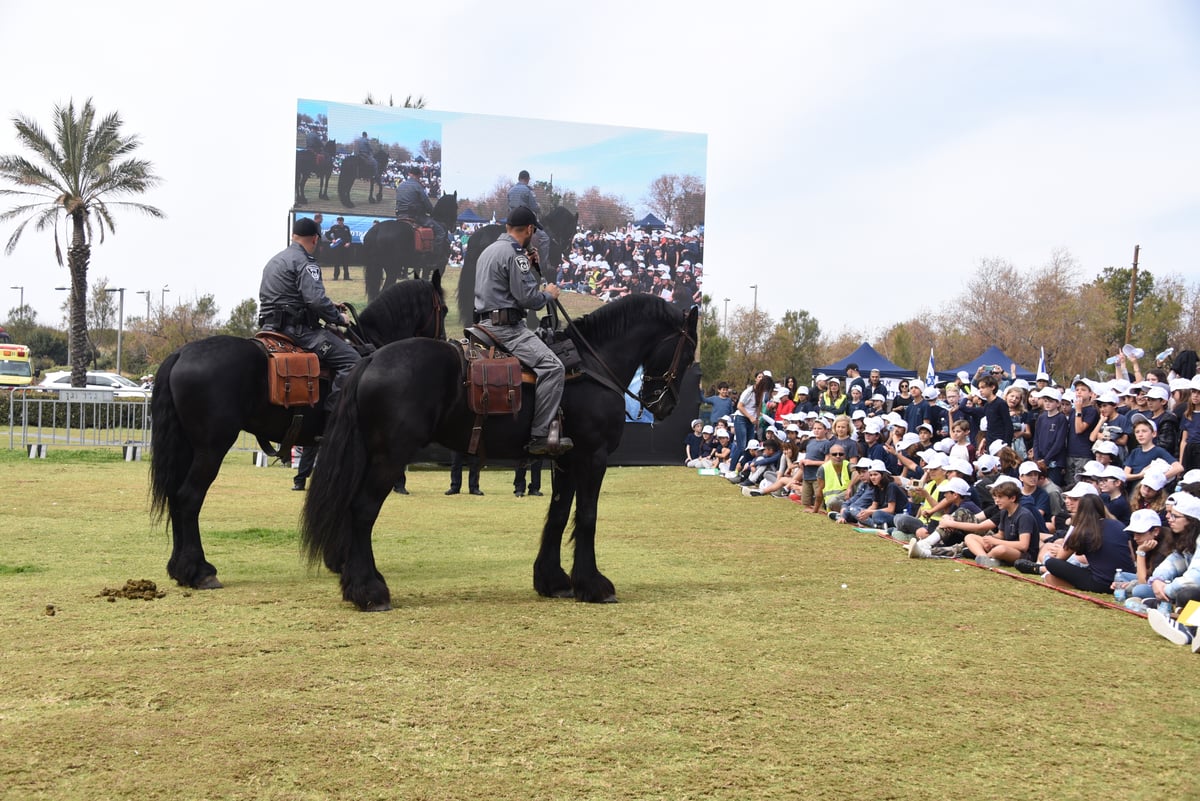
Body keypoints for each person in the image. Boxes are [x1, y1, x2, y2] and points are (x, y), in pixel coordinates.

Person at [473, 206, 571, 456]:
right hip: (507, 329)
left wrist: (530, 267)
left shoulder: (489, 251)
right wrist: (549, 294)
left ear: (507, 226)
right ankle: (540, 436)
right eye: (533, 231)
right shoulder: (514, 254)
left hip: (483, 323)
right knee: (553, 367)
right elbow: (529, 299)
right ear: (529, 229)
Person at [259, 217, 359, 413]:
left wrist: (330, 304)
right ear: (315, 239)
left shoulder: (274, 260)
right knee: (353, 362)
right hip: (299, 331)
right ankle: (333, 420)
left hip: (270, 328)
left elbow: (289, 295)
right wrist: (339, 318)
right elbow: (315, 301)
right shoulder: (306, 262)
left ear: (293, 236)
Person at [1040, 494, 1135, 592]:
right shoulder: (1119, 525)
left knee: (1051, 562)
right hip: (1126, 579)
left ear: (1080, 510)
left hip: (1101, 583)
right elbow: (1131, 556)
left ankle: (1046, 572)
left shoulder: (1083, 530)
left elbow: (1060, 558)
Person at [964, 479, 1037, 568]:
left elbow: (1023, 546)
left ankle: (987, 558)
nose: (996, 501)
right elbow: (1001, 534)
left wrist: (995, 541)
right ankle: (985, 557)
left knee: (1001, 549)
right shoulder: (1004, 512)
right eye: (996, 497)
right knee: (970, 537)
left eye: (1000, 497)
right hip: (1004, 544)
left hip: (1023, 554)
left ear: (1012, 498)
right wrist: (989, 540)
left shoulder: (1024, 515)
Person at [394, 166, 447, 262]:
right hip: (415, 217)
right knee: (441, 232)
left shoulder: (400, 186)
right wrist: (432, 212)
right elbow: (426, 203)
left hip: (400, 216)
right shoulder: (418, 186)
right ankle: (434, 257)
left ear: (410, 174)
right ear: (418, 176)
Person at [508, 169, 551, 270]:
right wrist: (539, 207)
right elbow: (534, 207)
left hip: (511, 222)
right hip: (524, 222)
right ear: (527, 179)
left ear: (519, 178)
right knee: (545, 239)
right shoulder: (528, 190)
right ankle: (543, 265)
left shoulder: (510, 191)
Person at [326, 216, 352, 281]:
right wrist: (332, 239)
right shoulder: (334, 227)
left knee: (345, 263)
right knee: (336, 262)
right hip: (337, 248)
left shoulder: (346, 228)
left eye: (341, 221)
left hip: (345, 247)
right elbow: (327, 234)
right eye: (338, 221)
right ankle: (336, 277)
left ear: (343, 221)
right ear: (337, 221)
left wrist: (349, 243)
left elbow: (349, 236)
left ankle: (346, 277)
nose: (340, 222)